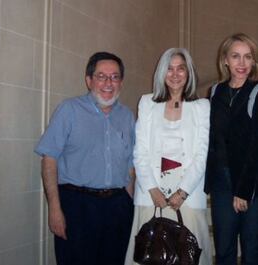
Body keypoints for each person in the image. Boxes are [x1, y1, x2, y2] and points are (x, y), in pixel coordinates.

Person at [34, 52, 135, 265]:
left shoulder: (127, 116)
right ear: (89, 80)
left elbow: (130, 165)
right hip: (77, 207)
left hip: (117, 207)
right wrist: (54, 208)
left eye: (115, 77)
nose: (108, 83)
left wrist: (129, 205)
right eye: (101, 76)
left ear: (121, 82)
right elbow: (49, 159)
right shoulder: (69, 110)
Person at [124, 48, 212, 265]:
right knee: (149, 255)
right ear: (161, 73)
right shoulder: (147, 102)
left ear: (188, 73)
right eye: (169, 69)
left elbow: (202, 153)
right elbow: (140, 150)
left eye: (180, 68)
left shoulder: (202, 106)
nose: (175, 74)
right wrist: (152, 189)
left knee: (187, 257)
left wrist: (182, 192)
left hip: (188, 195)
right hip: (151, 194)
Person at [204, 33, 258, 265]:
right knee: (224, 251)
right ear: (225, 60)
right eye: (236, 56)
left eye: (247, 57)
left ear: (254, 61)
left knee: (253, 252)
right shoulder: (215, 92)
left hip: (251, 184)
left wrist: (243, 190)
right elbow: (213, 139)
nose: (242, 63)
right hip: (222, 183)